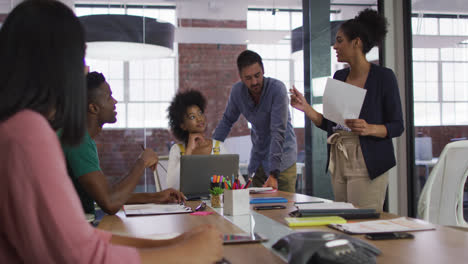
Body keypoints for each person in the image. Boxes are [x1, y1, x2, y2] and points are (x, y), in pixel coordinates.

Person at [0, 1, 223, 263]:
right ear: (57, 64)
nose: (83, 70)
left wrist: (175, 243)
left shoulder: (16, 128)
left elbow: (80, 238)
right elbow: (84, 255)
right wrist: (190, 252)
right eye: (79, 58)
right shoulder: (29, 133)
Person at [290, 8, 404, 211]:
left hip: (368, 160)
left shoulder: (383, 77)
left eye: (340, 40)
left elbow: (397, 126)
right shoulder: (339, 77)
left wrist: (370, 128)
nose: (335, 46)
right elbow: (330, 124)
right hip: (339, 158)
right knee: (343, 220)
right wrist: (307, 108)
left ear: (356, 42)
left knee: (361, 222)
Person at [60, 71, 185, 217]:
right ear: (93, 108)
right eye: (109, 97)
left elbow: (106, 195)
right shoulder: (78, 141)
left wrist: (155, 197)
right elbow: (110, 203)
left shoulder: (75, 135)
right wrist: (142, 163)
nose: (115, 102)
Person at [213, 50, 297, 192]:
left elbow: (278, 132)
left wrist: (273, 174)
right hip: (258, 160)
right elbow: (227, 120)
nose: (254, 82)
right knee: (256, 209)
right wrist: (213, 149)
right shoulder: (237, 92)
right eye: (248, 78)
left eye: (257, 75)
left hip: (282, 162)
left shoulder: (277, 90)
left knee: (285, 210)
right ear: (241, 77)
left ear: (263, 70)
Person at [167, 90, 245, 189]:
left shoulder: (218, 147)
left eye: (200, 113)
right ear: (183, 126)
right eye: (192, 117)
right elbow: (172, 187)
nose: (199, 119)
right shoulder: (177, 150)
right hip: (187, 203)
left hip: (216, 201)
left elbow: (240, 183)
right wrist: (188, 151)